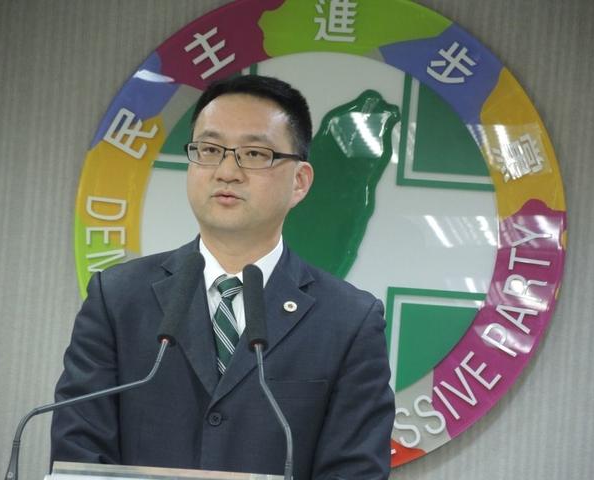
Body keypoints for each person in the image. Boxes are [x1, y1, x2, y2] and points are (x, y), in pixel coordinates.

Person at [51, 75, 395, 479]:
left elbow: (355, 471)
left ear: (300, 182)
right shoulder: (117, 298)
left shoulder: (349, 321)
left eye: (254, 154)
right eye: (210, 150)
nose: (227, 171)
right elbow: (80, 452)